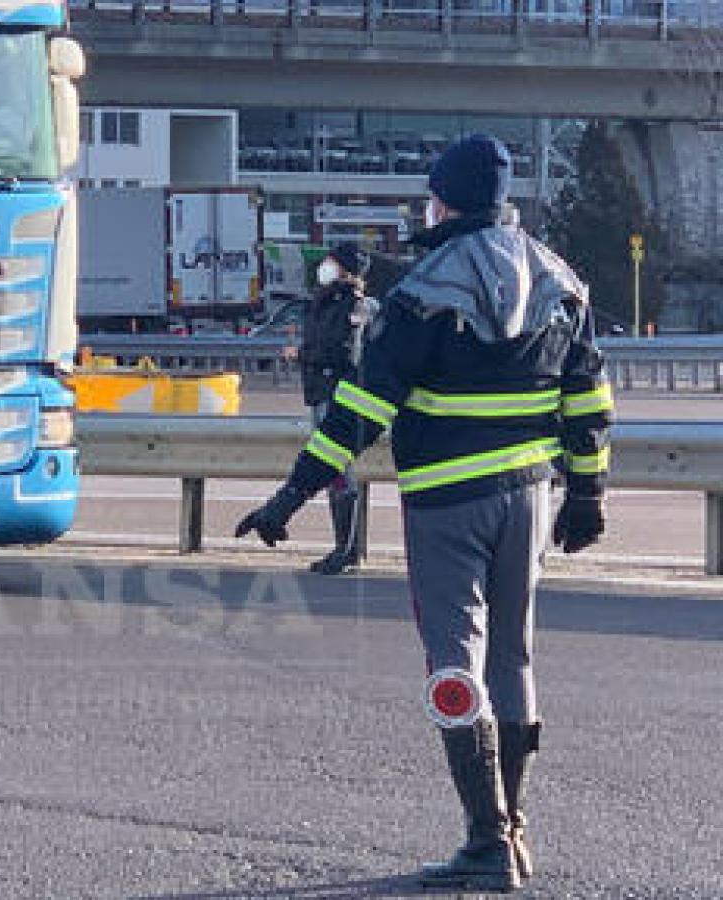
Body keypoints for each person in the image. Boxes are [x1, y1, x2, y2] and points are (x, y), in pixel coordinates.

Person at [236, 134, 613, 892]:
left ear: (442, 199)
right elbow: (589, 397)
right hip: (530, 498)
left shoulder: (423, 290)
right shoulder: (560, 280)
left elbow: (361, 409)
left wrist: (293, 495)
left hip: (447, 504)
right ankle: (516, 829)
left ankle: (483, 842)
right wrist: (587, 493)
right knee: (514, 658)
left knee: (454, 665)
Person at [299, 243, 373, 575]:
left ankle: (345, 550)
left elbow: (342, 351)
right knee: (335, 472)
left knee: (337, 470)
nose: (324, 266)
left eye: (331, 261)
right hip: (320, 391)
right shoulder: (326, 301)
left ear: (344, 269)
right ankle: (344, 548)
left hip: (336, 393)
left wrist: (301, 355)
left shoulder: (351, 304)